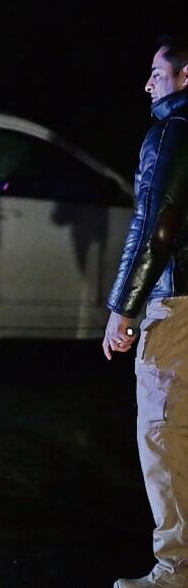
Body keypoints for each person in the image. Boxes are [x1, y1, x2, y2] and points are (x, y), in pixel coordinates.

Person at [104, 36, 188, 588]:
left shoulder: (172, 133)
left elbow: (157, 225)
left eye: (157, 73)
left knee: (164, 433)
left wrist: (124, 307)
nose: (148, 84)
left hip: (176, 302)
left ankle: (175, 565)